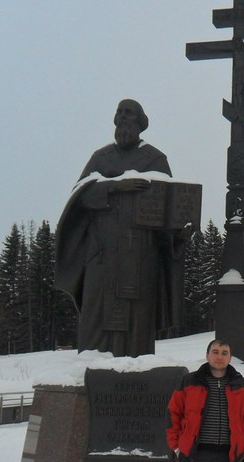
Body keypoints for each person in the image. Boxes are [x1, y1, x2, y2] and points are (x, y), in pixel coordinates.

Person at [55, 99, 186, 357]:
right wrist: (115, 185)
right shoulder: (100, 158)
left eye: (130, 113)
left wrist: (178, 235)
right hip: (101, 254)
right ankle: (92, 367)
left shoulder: (155, 159)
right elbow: (79, 197)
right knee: (96, 315)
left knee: (137, 319)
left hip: (140, 255)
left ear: (140, 122)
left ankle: (135, 369)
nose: (123, 118)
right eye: (120, 113)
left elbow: (169, 210)